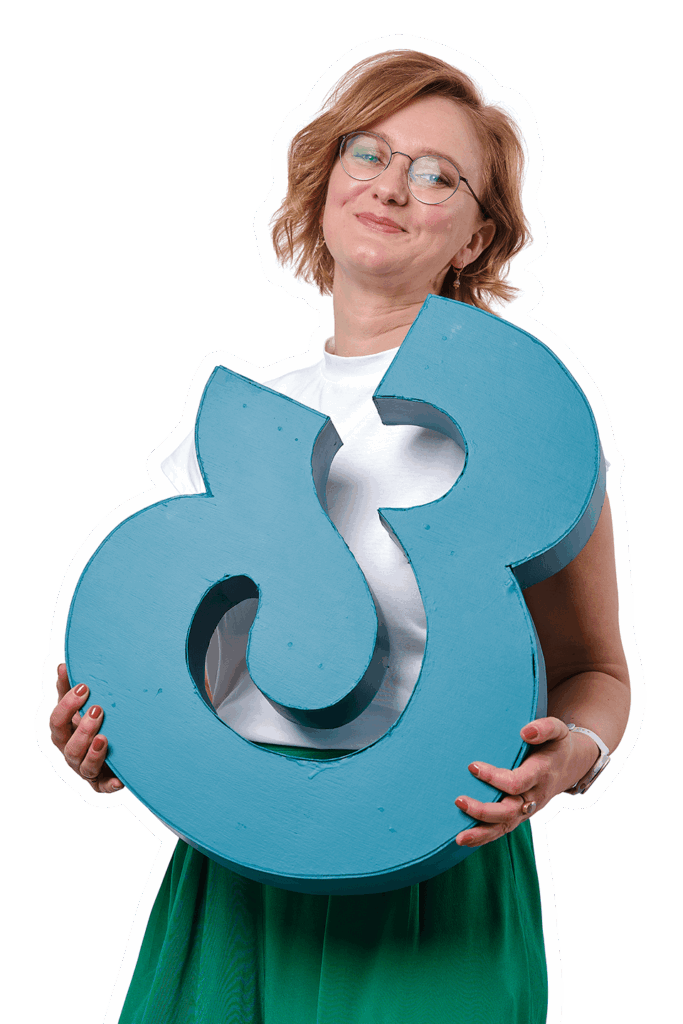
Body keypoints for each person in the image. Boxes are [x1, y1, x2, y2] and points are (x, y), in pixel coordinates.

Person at [49, 50, 630, 1023]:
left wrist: (572, 753)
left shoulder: (525, 436)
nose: (391, 187)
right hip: (238, 860)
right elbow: (184, 678)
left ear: (476, 236)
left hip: (434, 867)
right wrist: (114, 738)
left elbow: (595, 671)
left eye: (436, 175)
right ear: (326, 181)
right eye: (369, 153)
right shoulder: (231, 431)